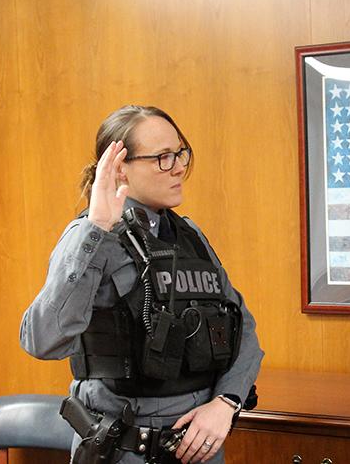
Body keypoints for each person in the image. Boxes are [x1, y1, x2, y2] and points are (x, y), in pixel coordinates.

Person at [20, 105, 264, 463]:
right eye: (163, 157)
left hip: (199, 450)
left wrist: (226, 403)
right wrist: (97, 227)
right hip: (122, 450)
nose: (179, 166)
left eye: (180, 153)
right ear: (120, 167)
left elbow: (243, 328)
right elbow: (41, 340)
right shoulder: (90, 237)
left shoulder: (190, 235)